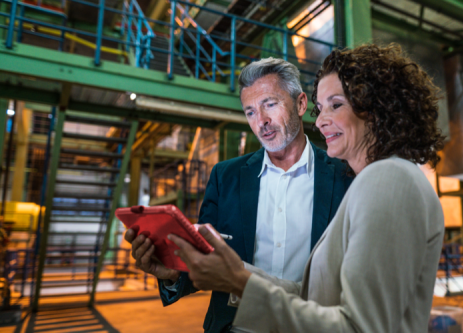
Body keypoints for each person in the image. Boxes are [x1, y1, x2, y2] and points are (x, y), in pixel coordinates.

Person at [169, 43, 446, 332]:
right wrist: (233, 274)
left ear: (376, 108)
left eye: (336, 105)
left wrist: (239, 282)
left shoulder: (388, 178)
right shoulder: (383, 176)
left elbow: (360, 327)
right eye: (250, 111)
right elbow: (311, 294)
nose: (322, 120)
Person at [124, 58, 352, 333]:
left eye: (270, 104)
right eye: (250, 112)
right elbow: (205, 259)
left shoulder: (344, 176)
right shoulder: (225, 177)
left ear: (301, 104)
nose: (262, 122)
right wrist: (173, 274)